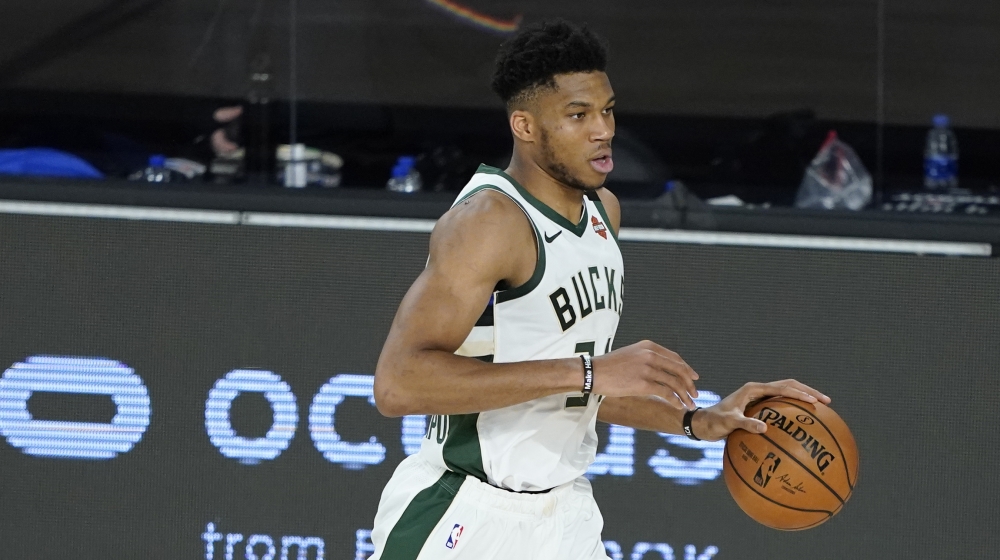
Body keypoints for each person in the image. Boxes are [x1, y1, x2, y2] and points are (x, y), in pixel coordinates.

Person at [370, 19, 830, 560]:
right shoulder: (489, 221)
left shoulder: (604, 211)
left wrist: (693, 419)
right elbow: (397, 385)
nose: (603, 130)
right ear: (524, 125)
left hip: (564, 517)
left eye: (607, 110)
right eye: (578, 115)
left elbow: (575, 388)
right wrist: (589, 372)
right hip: (467, 514)